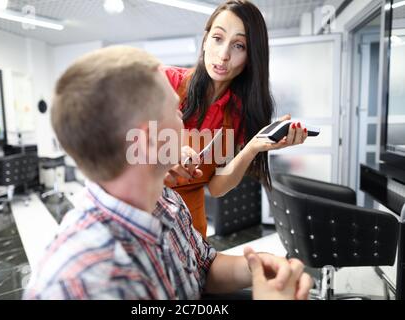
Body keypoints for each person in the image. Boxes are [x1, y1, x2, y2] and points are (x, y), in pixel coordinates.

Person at [23, 45, 312, 300]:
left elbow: (204, 267)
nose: (185, 125)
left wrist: (256, 266)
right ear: (150, 139)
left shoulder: (168, 202)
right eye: (176, 112)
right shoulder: (78, 283)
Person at [162, 0, 308, 238]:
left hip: (189, 228)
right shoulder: (165, 81)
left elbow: (217, 188)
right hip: (142, 215)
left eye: (238, 45)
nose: (224, 55)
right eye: (218, 38)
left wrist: (252, 148)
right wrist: (163, 157)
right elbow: (120, 146)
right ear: (205, 40)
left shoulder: (238, 113)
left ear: (251, 57)